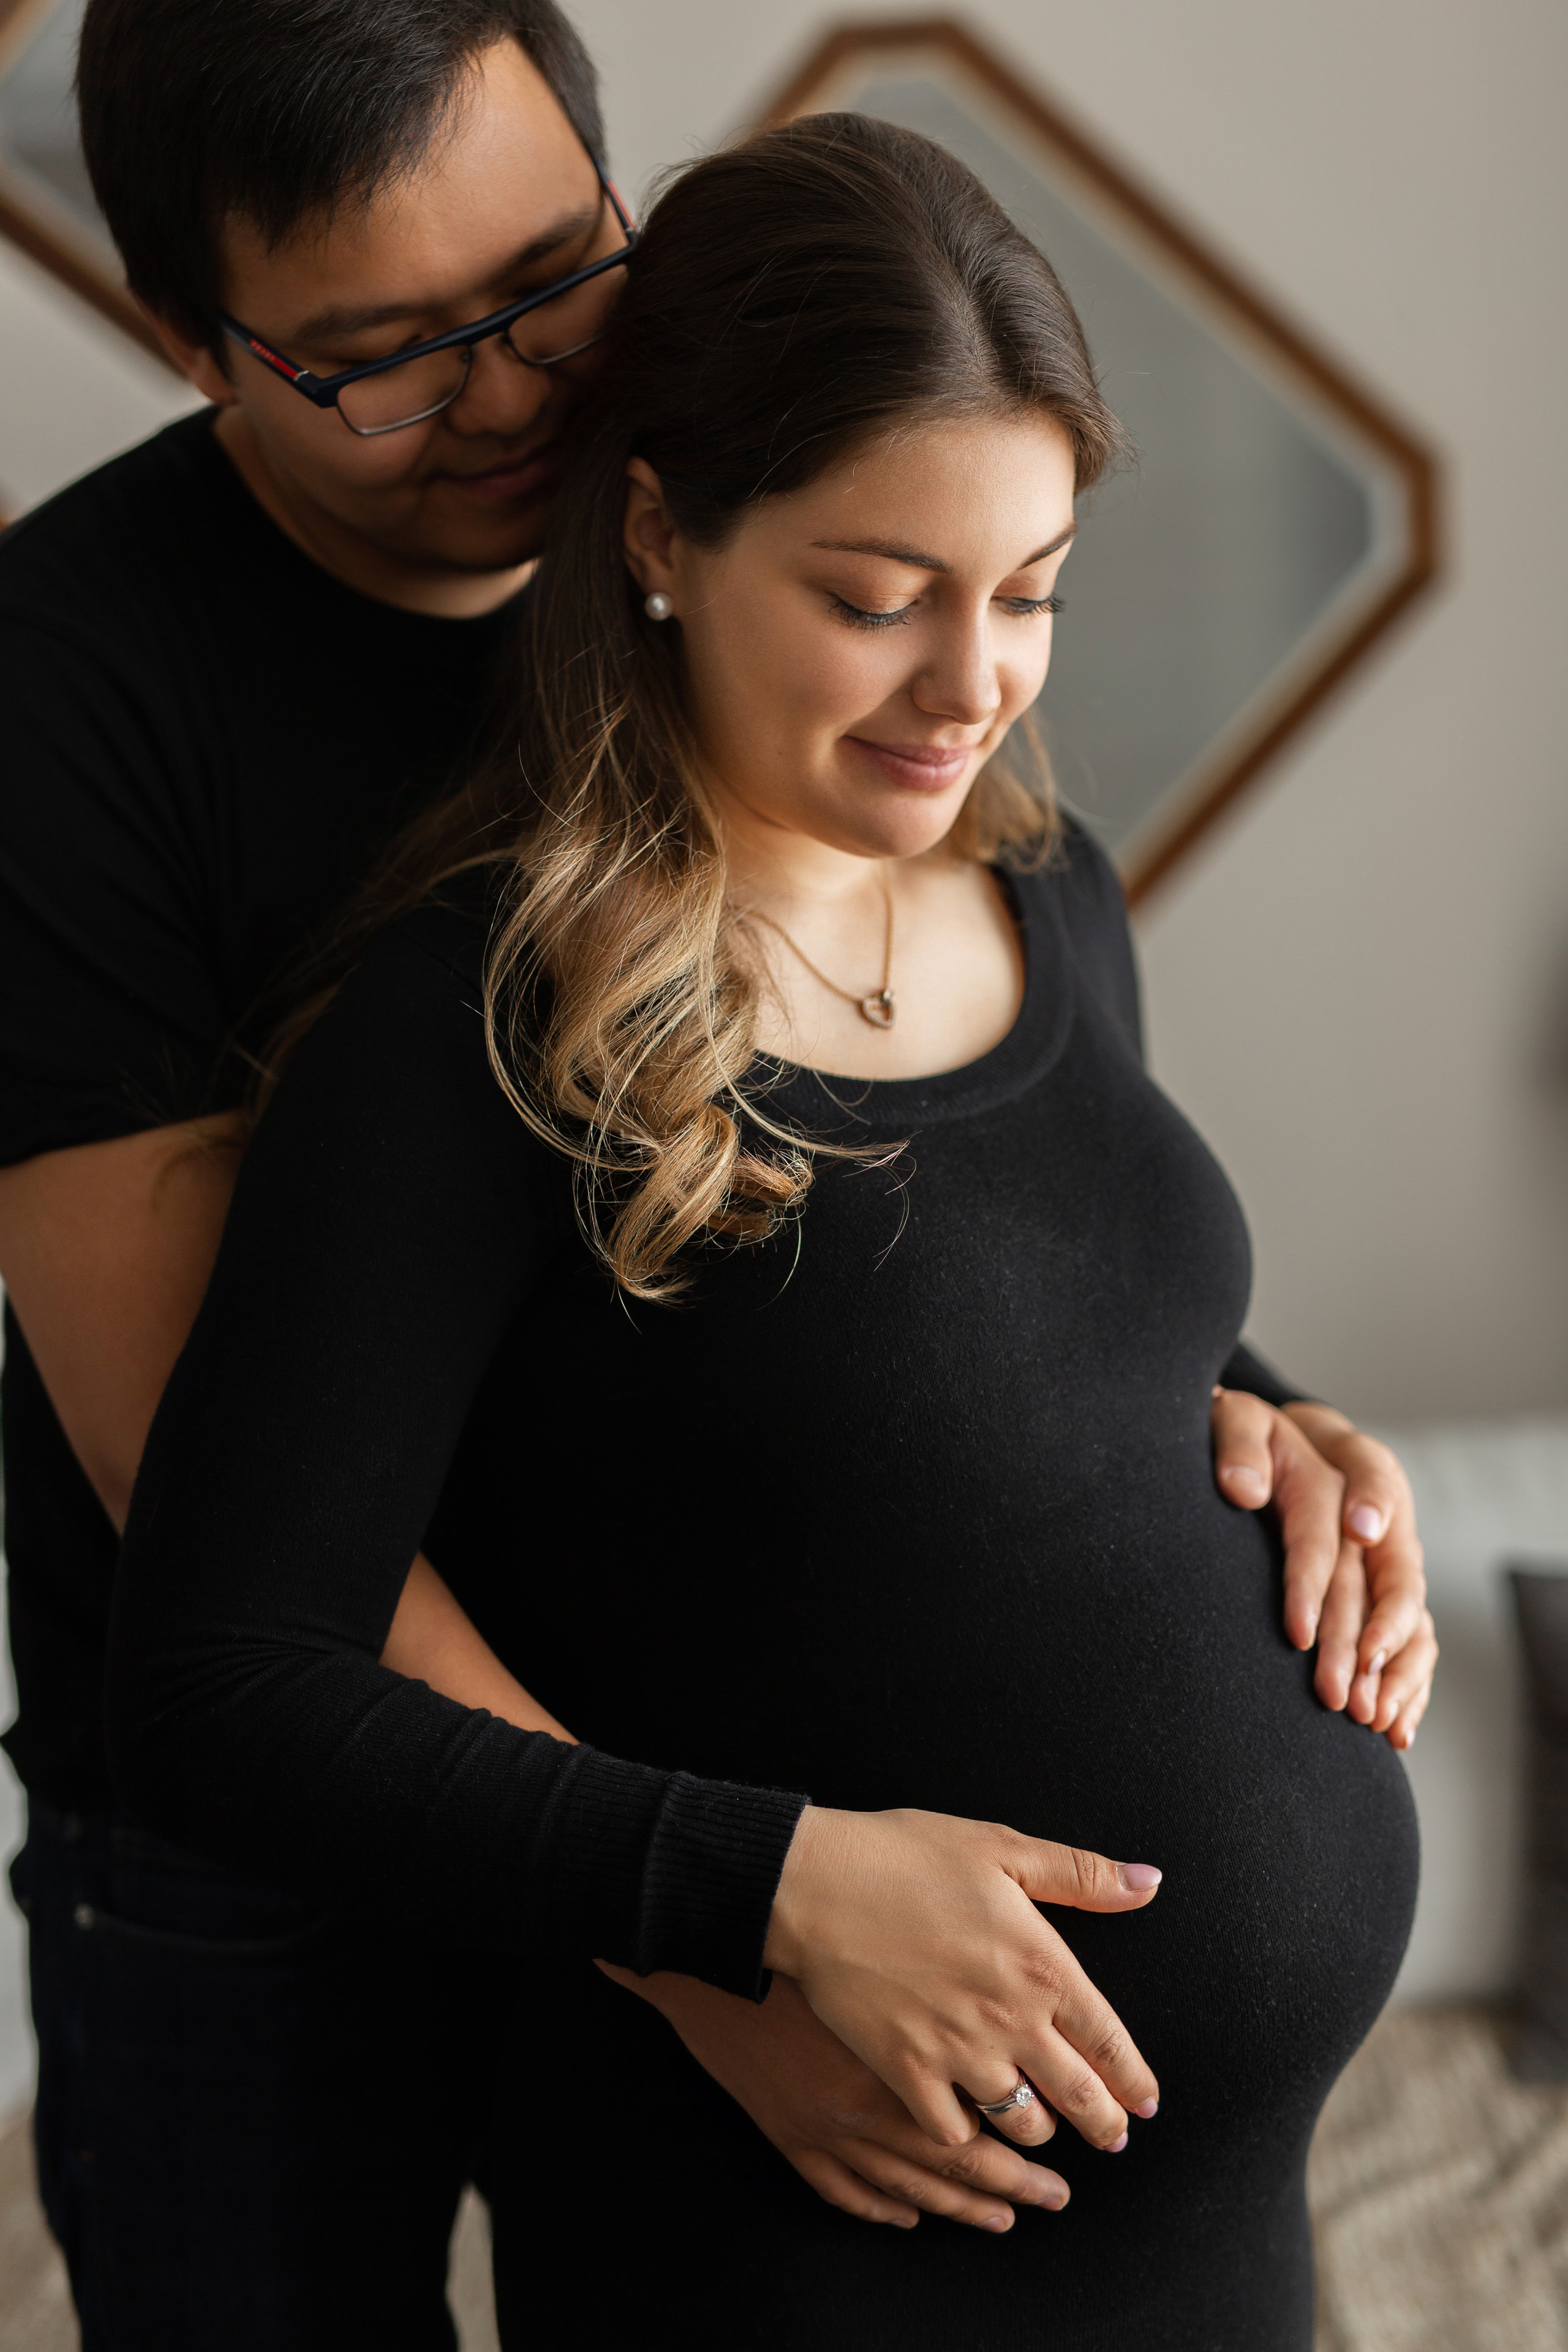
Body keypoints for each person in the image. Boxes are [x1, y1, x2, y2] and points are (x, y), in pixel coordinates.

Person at [0, 2, 1431, 2340]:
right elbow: (225, 1516)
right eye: (387, 352)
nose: (522, 390)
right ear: (196, 338)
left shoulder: (918, 729)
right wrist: (720, 1930)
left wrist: (1241, 1413)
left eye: (557, 272)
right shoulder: (101, 718)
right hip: (307, 1868)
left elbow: (968, 1230)